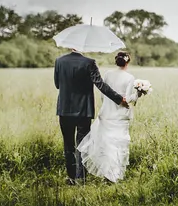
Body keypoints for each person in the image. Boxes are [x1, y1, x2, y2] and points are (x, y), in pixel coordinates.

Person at [54, 48, 129, 185]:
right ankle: (80, 178)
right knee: (82, 144)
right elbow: (100, 85)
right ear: (81, 47)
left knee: (68, 145)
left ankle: (71, 177)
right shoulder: (89, 62)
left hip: (64, 109)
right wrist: (119, 99)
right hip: (83, 110)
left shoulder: (59, 61)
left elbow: (57, 85)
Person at [77, 51, 145, 183]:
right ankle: (113, 174)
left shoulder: (108, 74)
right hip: (120, 115)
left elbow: (103, 95)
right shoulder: (130, 78)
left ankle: (106, 173)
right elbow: (127, 99)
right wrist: (138, 94)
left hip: (107, 113)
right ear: (127, 62)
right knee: (118, 143)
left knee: (107, 143)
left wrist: (108, 106)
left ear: (116, 61)